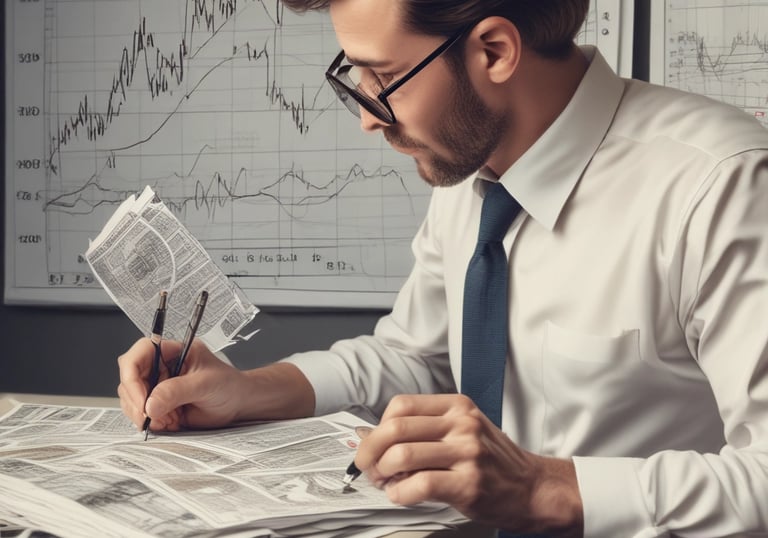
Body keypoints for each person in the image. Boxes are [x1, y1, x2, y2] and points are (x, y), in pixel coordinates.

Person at [117, 0, 768, 536]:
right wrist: (247, 390)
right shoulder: (469, 161)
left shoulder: (722, 186)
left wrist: (546, 487)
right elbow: (414, 356)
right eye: (355, 75)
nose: (369, 120)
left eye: (384, 78)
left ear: (494, 51)